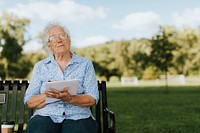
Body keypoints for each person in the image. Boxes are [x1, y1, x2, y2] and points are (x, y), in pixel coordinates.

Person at [24, 22, 99, 133]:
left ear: (69, 40)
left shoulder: (85, 64)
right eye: (53, 38)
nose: (59, 40)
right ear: (48, 45)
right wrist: (48, 95)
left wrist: (71, 99)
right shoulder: (40, 66)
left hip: (79, 116)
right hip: (46, 115)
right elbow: (30, 101)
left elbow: (92, 98)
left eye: (62, 35)